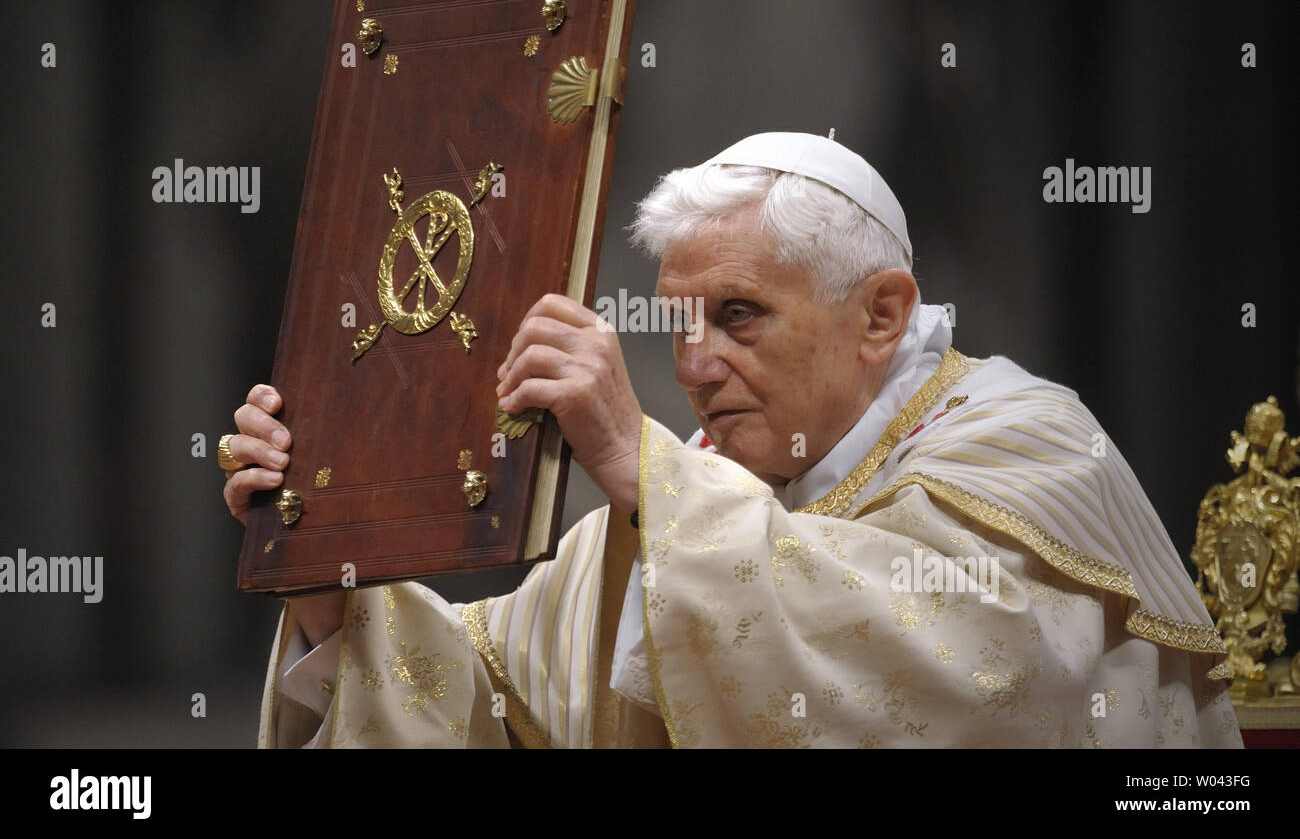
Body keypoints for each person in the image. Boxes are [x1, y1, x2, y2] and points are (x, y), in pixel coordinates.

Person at [222, 132, 1242, 748]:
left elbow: (970, 691)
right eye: (680, 322)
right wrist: (330, 585)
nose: (694, 364)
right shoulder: (686, 495)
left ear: (880, 316)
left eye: (739, 315)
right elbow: (492, 699)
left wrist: (634, 461)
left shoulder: (1023, 445)